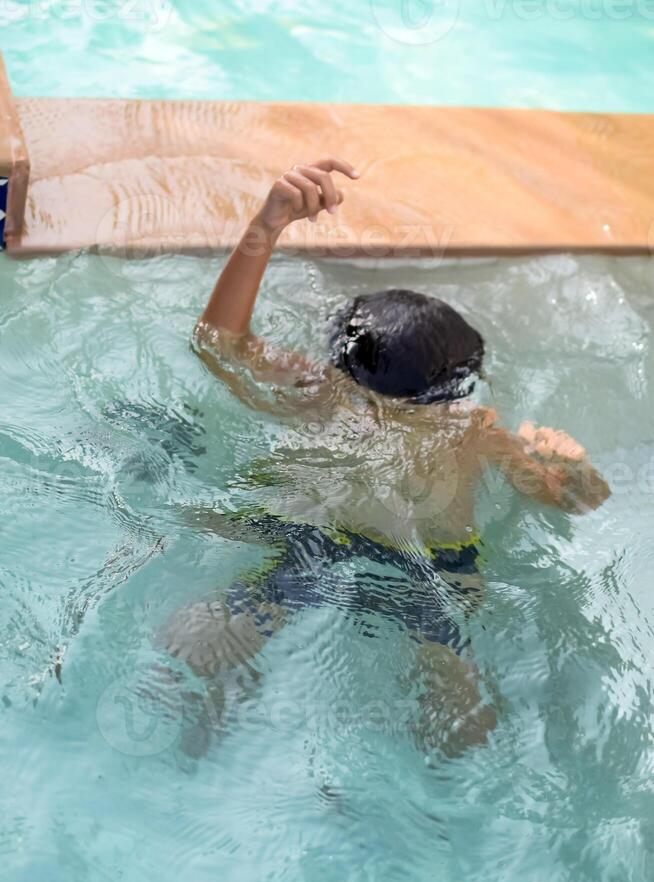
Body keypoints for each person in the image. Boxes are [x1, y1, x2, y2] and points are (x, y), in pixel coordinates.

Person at [161, 157, 610, 756]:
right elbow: (574, 502)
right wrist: (571, 469)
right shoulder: (467, 427)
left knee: (195, 646)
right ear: (461, 377)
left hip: (396, 564)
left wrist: (266, 229)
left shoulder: (329, 395)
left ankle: (207, 719)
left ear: (341, 362)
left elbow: (218, 343)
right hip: (396, 562)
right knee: (459, 723)